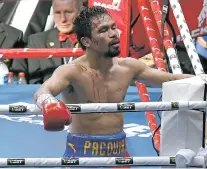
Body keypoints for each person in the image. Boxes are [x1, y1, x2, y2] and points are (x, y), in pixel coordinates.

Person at [34, 6, 194, 158]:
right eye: (103, 30)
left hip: (118, 151)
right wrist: (48, 102)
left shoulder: (128, 67)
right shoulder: (71, 71)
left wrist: (203, 79)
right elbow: (43, 91)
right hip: (82, 153)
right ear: (87, 41)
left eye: (113, 27)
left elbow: (171, 80)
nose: (114, 34)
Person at [10, 0, 83, 84]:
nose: (63, 19)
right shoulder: (37, 41)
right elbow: (31, 81)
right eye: (57, 13)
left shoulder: (94, 40)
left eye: (68, 12)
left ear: (81, 12)